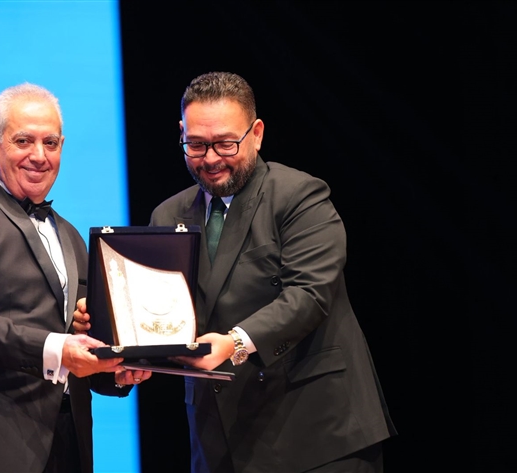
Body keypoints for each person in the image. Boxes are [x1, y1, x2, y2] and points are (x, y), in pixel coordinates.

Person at [150, 72, 397, 473]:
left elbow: (309, 295)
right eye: (196, 144)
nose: (210, 159)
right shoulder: (167, 215)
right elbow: (159, 310)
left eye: (225, 143)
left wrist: (234, 343)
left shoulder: (299, 196)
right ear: (181, 133)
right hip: (219, 440)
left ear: (257, 133)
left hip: (316, 432)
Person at [0, 83, 150, 473]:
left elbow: (84, 353)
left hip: (69, 446)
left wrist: (119, 370)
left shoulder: (72, 236)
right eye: (23, 141)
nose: (39, 156)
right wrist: (59, 349)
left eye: (51, 143)